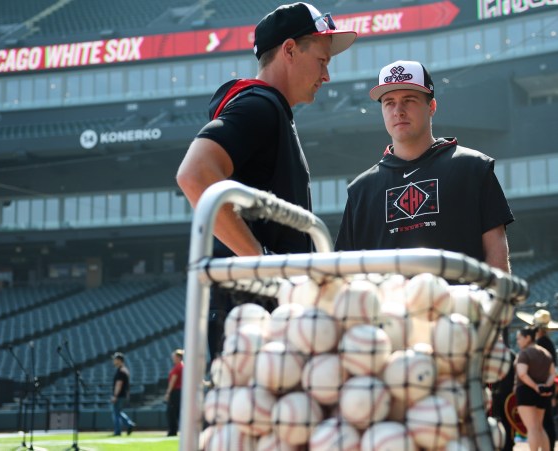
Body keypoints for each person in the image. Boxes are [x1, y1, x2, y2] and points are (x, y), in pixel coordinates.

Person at [176, 3, 357, 358]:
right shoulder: (259, 105)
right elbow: (194, 175)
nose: (327, 75)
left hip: (258, 316)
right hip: (254, 320)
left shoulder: (269, 109)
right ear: (289, 49)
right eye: (322, 61)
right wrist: (263, 265)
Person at [335, 60, 513, 273]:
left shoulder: (473, 168)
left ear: (432, 106)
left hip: (462, 306)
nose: (398, 111)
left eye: (409, 100)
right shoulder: (361, 190)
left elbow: (498, 262)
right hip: (388, 307)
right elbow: (346, 274)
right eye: (389, 102)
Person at [516, 309, 558, 450]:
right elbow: (553, 372)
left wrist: (536, 386)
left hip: (530, 392)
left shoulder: (529, 352)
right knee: (540, 427)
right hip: (543, 391)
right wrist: (545, 386)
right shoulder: (546, 349)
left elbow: (522, 374)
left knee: (534, 428)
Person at [110, 352, 135, 436]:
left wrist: (115, 396)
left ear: (119, 360)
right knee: (118, 412)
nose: (113, 361)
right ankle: (129, 424)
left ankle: (117, 431)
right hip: (123, 395)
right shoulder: (124, 369)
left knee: (116, 413)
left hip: (120, 395)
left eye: (115, 359)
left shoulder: (121, 371)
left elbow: (119, 384)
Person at [165, 349, 184, 436]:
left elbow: (173, 380)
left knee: (171, 411)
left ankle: (172, 431)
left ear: (178, 357)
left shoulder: (178, 367)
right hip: (180, 392)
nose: (173, 358)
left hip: (176, 392)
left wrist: (168, 393)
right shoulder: (182, 366)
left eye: (174, 357)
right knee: (178, 412)